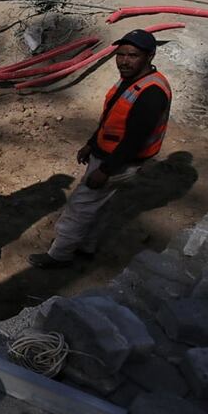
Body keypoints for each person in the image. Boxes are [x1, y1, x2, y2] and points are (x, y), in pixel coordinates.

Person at [29, 29, 172, 269]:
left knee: (81, 205)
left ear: (149, 56)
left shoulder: (151, 92)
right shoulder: (133, 81)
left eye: (133, 55)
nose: (124, 61)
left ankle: (60, 254)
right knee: (100, 204)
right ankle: (86, 246)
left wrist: (105, 170)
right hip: (108, 153)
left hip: (118, 160)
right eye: (121, 54)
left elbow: (133, 139)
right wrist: (92, 144)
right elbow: (112, 119)